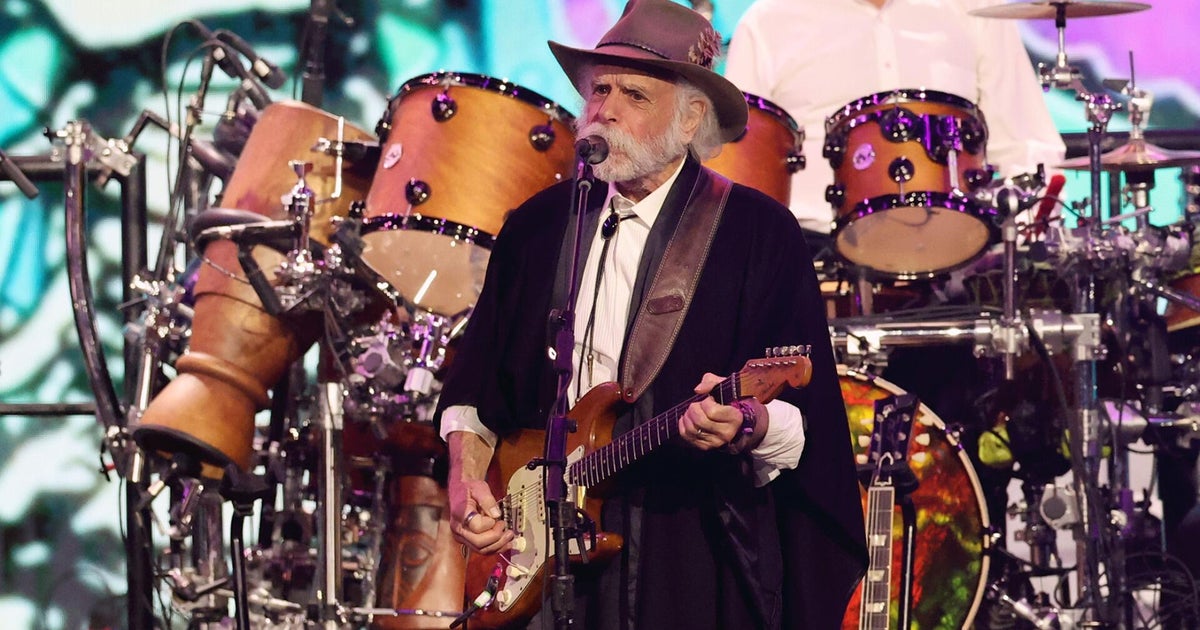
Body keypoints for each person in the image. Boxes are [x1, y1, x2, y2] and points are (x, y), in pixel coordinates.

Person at [433, 1, 866, 628]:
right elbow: (475, 387)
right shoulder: (536, 227)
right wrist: (466, 478)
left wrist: (745, 421)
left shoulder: (757, 232)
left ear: (690, 119)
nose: (604, 109)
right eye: (598, 90)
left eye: (633, 94)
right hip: (538, 556)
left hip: (687, 548)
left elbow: (804, 421)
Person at [723, 0, 1067, 235]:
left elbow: (1027, 144)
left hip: (959, 254)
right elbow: (735, 168)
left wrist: (1027, 230)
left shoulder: (975, 9)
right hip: (813, 257)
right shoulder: (767, 22)